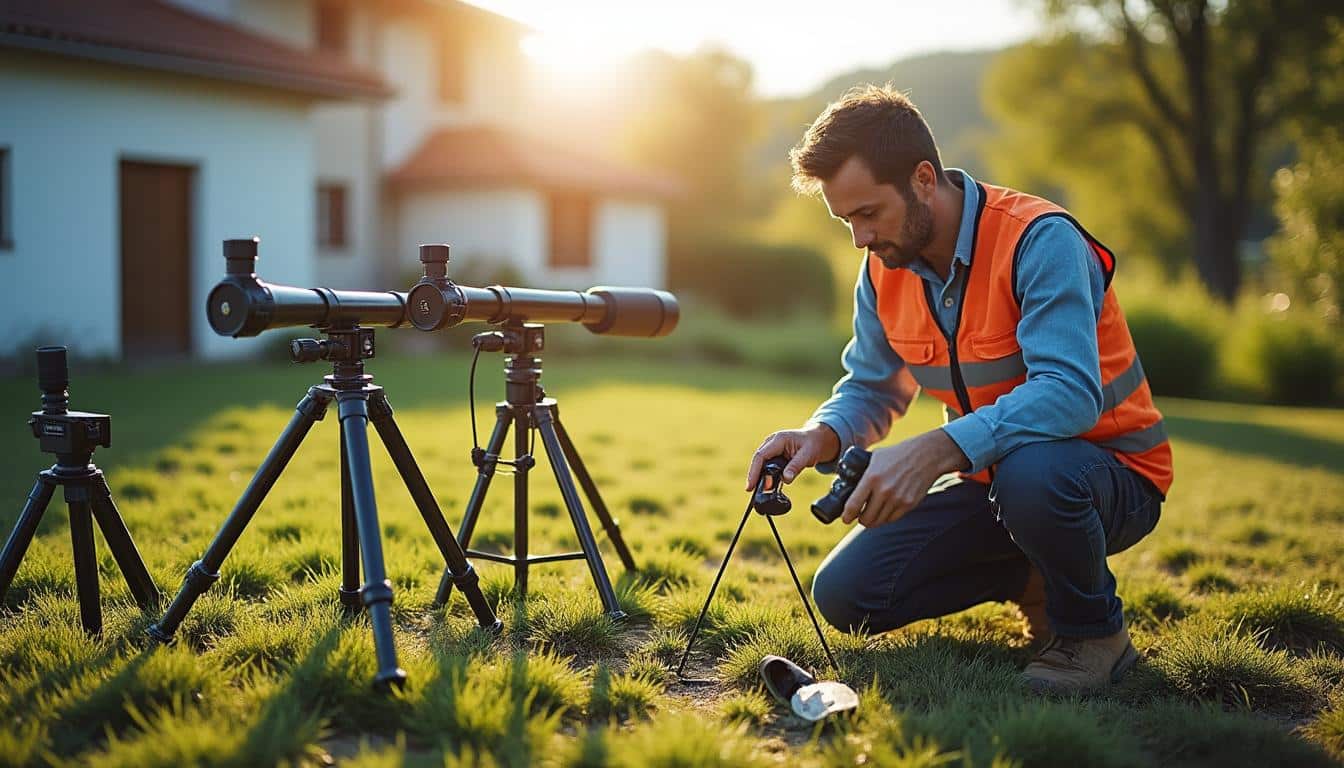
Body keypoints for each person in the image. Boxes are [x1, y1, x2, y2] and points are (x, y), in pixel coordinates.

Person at [745, 85, 1172, 693]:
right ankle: (1035, 580)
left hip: (1110, 476)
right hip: (996, 484)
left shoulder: (1039, 238)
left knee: (1036, 474)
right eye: (846, 221)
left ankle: (1093, 633)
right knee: (847, 595)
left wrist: (935, 451)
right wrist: (820, 435)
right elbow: (872, 386)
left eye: (868, 214)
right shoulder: (883, 268)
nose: (859, 239)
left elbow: (1070, 392)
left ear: (923, 179)